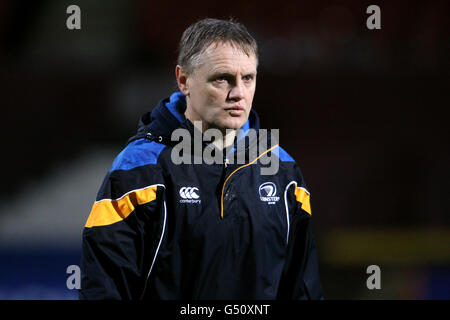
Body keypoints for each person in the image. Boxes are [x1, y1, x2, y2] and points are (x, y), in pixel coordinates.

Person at [79, 18, 323, 300]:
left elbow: (303, 288)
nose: (238, 93)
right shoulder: (139, 168)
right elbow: (105, 286)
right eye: (223, 78)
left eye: (248, 78)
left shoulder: (284, 172)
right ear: (184, 80)